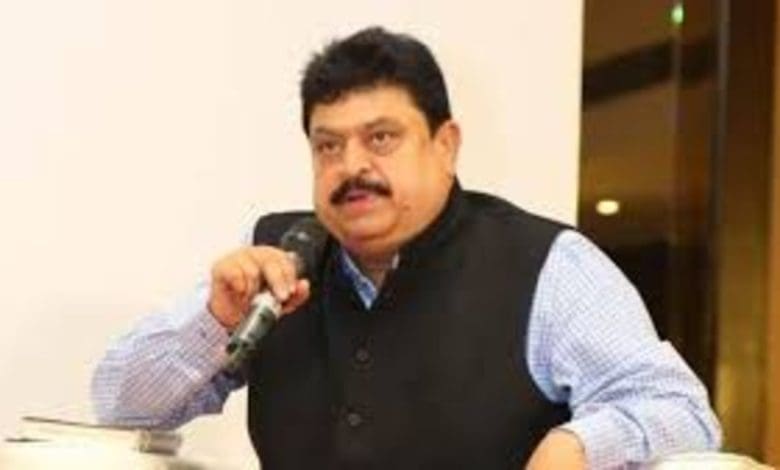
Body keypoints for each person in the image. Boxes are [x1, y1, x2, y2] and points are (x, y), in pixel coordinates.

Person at [91, 26, 721, 469]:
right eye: (328, 146)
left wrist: (577, 444)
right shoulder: (275, 261)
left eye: (381, 138)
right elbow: (118, 406)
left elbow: (681, 410)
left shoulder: (547, 265)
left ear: (445, 146)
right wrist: (215, 321)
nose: (351, 166)